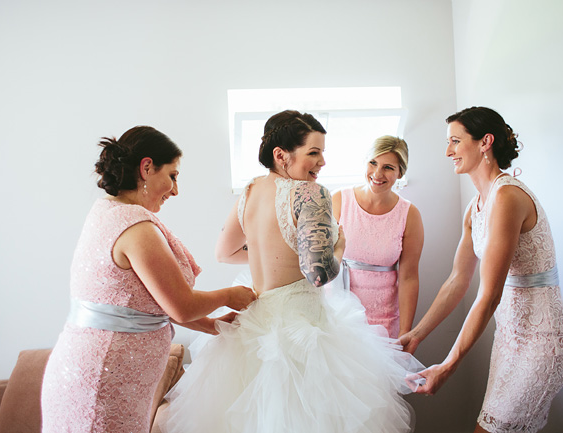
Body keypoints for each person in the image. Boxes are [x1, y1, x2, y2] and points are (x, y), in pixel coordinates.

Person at [160, 110, 423, 433]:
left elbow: (224, 252)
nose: (322, 162)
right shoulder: (310, 193)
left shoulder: (250, 191)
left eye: (323, 153)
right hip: (302, 329)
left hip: (255, 323)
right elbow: (319, 275)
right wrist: (339, 245)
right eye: (314, 153)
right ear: (281, 156)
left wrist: (276, 256)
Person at [41, 126, 256, 433]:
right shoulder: (137, 228)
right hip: (103, 381)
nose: (175, 189)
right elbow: (181, 306)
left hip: (102, 374)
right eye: (173, 175)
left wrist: (213, 325)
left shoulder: (108, 211)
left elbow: (152, 303)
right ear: (146, 168)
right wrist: (229, 295)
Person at [400, 107, 563, 433]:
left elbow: (489, 295)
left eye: (455, 141)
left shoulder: (507, 196)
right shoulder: (475, 207)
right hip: (509, 338)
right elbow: (457, 280)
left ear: (485, 142)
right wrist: (417, 334)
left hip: (543, 342)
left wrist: (448, 366)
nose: (448, 151)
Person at [331, 135, 424, 339]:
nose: (377, 173)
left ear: (400, 172)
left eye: (388, 167)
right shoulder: (339, 200)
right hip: (338, 314)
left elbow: (408, 278)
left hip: (384, 320)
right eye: (373, 163)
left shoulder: (409, 214)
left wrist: (405, 332)